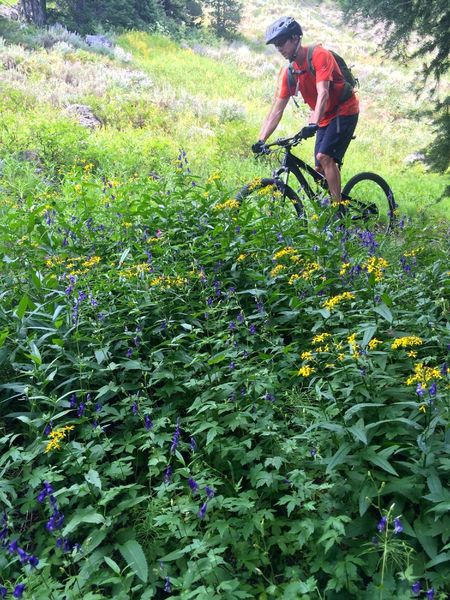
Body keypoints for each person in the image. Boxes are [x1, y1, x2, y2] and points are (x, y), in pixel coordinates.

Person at [252, 16, 359, 204]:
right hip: (324, 116)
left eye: (281, 42)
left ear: (295, 38)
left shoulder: (319, 55)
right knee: (319, 169)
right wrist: (261, 139)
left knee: (324, 157)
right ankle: (333, 200)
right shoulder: (289, 73)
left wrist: (312, 124)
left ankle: (338, 213)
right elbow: (277, 110)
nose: (279, 49)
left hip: (345, 109)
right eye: (276, 45)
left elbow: (323, 93)